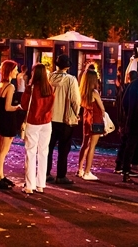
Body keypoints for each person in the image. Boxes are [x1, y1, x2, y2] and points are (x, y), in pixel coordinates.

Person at [46, 54, 80, 185]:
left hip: (49, 118)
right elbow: (75, 100)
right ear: (68, 66)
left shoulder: (49, 77)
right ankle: (61, 175)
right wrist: (77, 113)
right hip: (65, 119)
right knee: (64, 149)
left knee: (48, 147)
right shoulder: (71, 80)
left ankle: (46, 173)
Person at [21, 63, 54, 194]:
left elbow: (24, 105)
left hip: (33, 121)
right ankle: (41, 184)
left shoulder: (31, 88)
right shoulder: (49, 88)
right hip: (46, 122)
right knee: (43, 152)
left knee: (30, 152)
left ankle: (30, 185)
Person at [0, 60, 22, 190]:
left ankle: (0, 175)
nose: (17, 72)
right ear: (9, 71)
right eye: (15, 69)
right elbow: (8, 107)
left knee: (1, 149)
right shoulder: (10, 87)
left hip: (2, 118)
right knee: (3, 150)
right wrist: (17, 107)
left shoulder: (0, 84)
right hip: (8, 119)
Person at [77, 67, 105, 181]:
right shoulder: (94, 92)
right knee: (92, 146)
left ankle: (80, 169)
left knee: (84, 144)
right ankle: (87, 172)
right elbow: (102, 108)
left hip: (87, 119)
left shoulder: (82, 92)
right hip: (96, 120)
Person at [114, 69, 138, 174]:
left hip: (122, 120)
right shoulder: (132, 89)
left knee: (123, 143)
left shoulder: (122, 88)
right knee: (127, 144)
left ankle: (119, 165)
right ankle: (123, 166)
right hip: (128, 120)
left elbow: (120, 105)